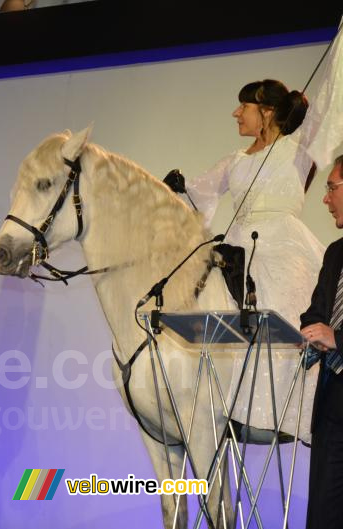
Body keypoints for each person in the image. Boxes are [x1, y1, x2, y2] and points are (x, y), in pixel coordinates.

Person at [182, 30, 343, 439]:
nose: (237, 114)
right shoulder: (234, 161)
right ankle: (223, 405)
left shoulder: (299, 150)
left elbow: (328, 103)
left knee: (284, 310)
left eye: (244, 106)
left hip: (284, 245)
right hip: (239, 247)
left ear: (267, 112)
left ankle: (290, 410)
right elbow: (195, 197)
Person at [300, 154, 343, 529]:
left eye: (331, 188)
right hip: (331, 409)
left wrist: (338, 338)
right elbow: (315, 313)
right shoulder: (335, 254)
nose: (325, 198)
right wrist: (312, 333)